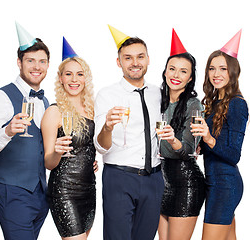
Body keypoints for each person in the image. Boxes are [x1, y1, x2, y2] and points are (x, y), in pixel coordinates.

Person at [0, 22, 50, 240]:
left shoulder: (45, 101)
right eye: (30, 61)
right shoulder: (0, 97)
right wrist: (7, 131)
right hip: (13, 191)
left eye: (42, 61)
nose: (37, 66)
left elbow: (45, 146)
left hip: (41, 195)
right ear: (19, 63)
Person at [94, 25, 164, 240]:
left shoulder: (159, 93)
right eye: (128, 58)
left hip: (154, 179)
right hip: (119, 178)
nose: (135, 63)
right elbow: (100, 145)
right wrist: (107, 127)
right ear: (119, 62)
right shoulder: (107, 95)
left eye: (140, 57)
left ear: (148, 59)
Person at [191, 30, 249, 240]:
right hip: (214, 182)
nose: (216, 73)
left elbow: (234, 155)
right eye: (212, 68)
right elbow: (217, 145)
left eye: (223, 69)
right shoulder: (215, 104)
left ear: (233, 72)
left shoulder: (237, 104)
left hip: (225, 185)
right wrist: (200, 145)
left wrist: (208, 138)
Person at [41, 37, 96, 240]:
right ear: (61, 78)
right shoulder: (54, 112)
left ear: (85, 78)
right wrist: (56, 151)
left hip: (89, 189)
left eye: (79, 74)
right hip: (64, 191)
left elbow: (89, 146)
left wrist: (91, 159)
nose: (74, 80)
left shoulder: (92, 109)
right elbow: (48, 162)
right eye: (69, 74)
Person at [157, 29, 205, 240]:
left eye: (183, 71)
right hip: (160, 180)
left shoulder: (194, 105)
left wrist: (172, 139)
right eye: (172, 69)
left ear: (190, 77)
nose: (176, 75)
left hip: (186, 182)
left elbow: (188, 151)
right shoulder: (155, 99)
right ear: (165, 72)